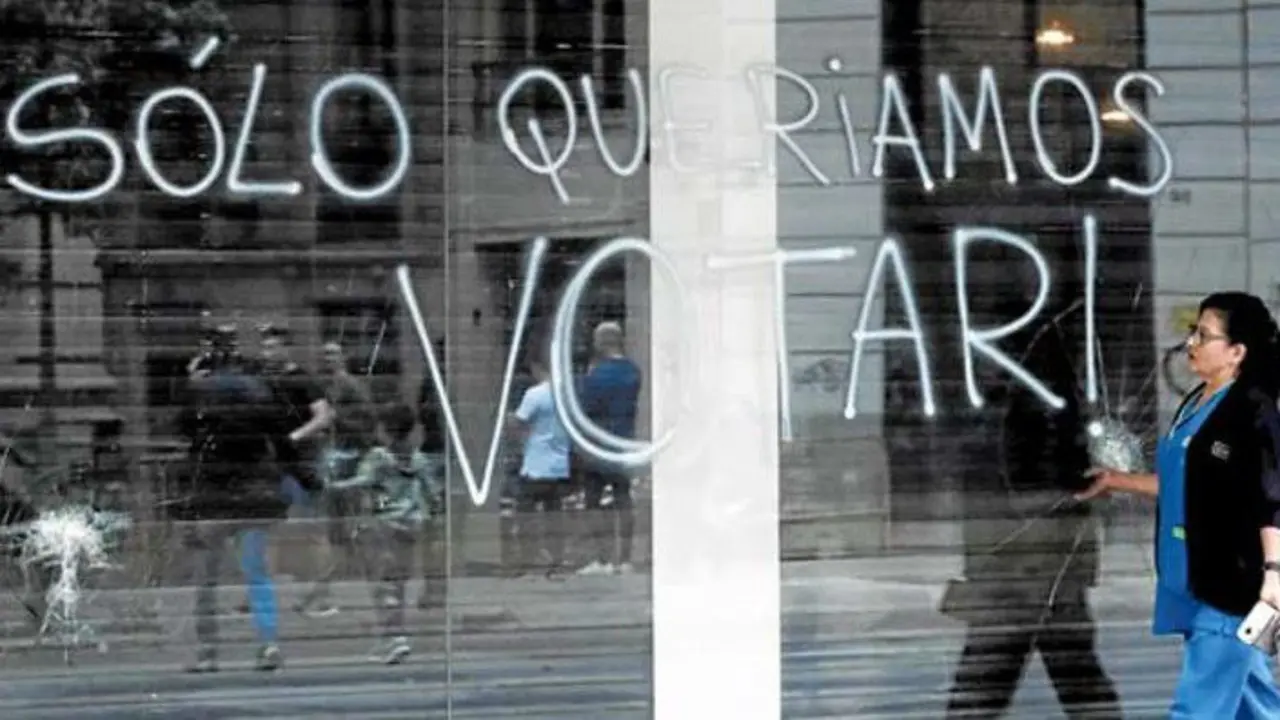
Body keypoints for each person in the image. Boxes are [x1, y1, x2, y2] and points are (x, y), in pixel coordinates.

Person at [1079, 291, 1280, 717]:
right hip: (1192, 576)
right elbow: (1186, 484)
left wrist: (1274, 575)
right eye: (1193, 332)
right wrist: (1119, 480)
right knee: (1256, 704)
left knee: (1198, 707)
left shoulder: (1254, 411)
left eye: (1203, 336)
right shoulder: (1197, 403)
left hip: (1234, 584)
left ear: (1236, 352)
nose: (1190, 343)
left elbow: (1272, 499)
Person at [944, 301, 1120, 717]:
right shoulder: (1039, 404)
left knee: (992, 679)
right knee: (1072, 674)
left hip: (1025, 568)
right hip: (1034, 565)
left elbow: (1033, 485)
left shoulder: (1027, 407)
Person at [174, 325, 287, 672]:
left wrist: (191, 380)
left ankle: (208, 652)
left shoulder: (201, 387)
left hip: (214, 491)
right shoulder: (257, 386)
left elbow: (184, 427)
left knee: (206, 576)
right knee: (257, 572)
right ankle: (268, 644)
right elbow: (274, 428)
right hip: (253, 490)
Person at [329, 403, 444, 664]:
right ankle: (391, 636)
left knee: (381, 584)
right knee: (399, 582)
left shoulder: (378, 456)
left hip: (383, 525)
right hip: (412, 524)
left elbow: (364, 481)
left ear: (386, 429)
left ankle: (395, 638)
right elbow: (434, 493)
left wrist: (335, 486)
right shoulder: (418, 458)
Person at [256, 324, 337, 617]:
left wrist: (295, 436)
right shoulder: (265, 379)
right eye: (265, 347)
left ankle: (322, 594)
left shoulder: (301, 379)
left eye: (272, 347)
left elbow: (324, 415)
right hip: (275, 464)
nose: (267, 353)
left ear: (285, 349)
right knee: (268, 528)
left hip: (302, 463)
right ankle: (263, 590)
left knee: (313, 529)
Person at [577, 321, 642, 576]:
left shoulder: (598, 374)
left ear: (602, 343)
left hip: (598, 443)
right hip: (623, 443)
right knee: (623, 500)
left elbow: (588, 405)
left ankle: (601, 559)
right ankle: (624, 559)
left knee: (593, 502)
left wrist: (589, 376)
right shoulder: (633, 372)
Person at [509, 358, 572, 577]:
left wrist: (517, 439)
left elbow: (517, 421)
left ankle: (527, 561)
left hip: (536, 464)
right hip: (559, 465)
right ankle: (556, 561)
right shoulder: (567, 395)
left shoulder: (535, 394)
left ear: (539, 367)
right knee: (554, 516)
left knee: (525, 515)